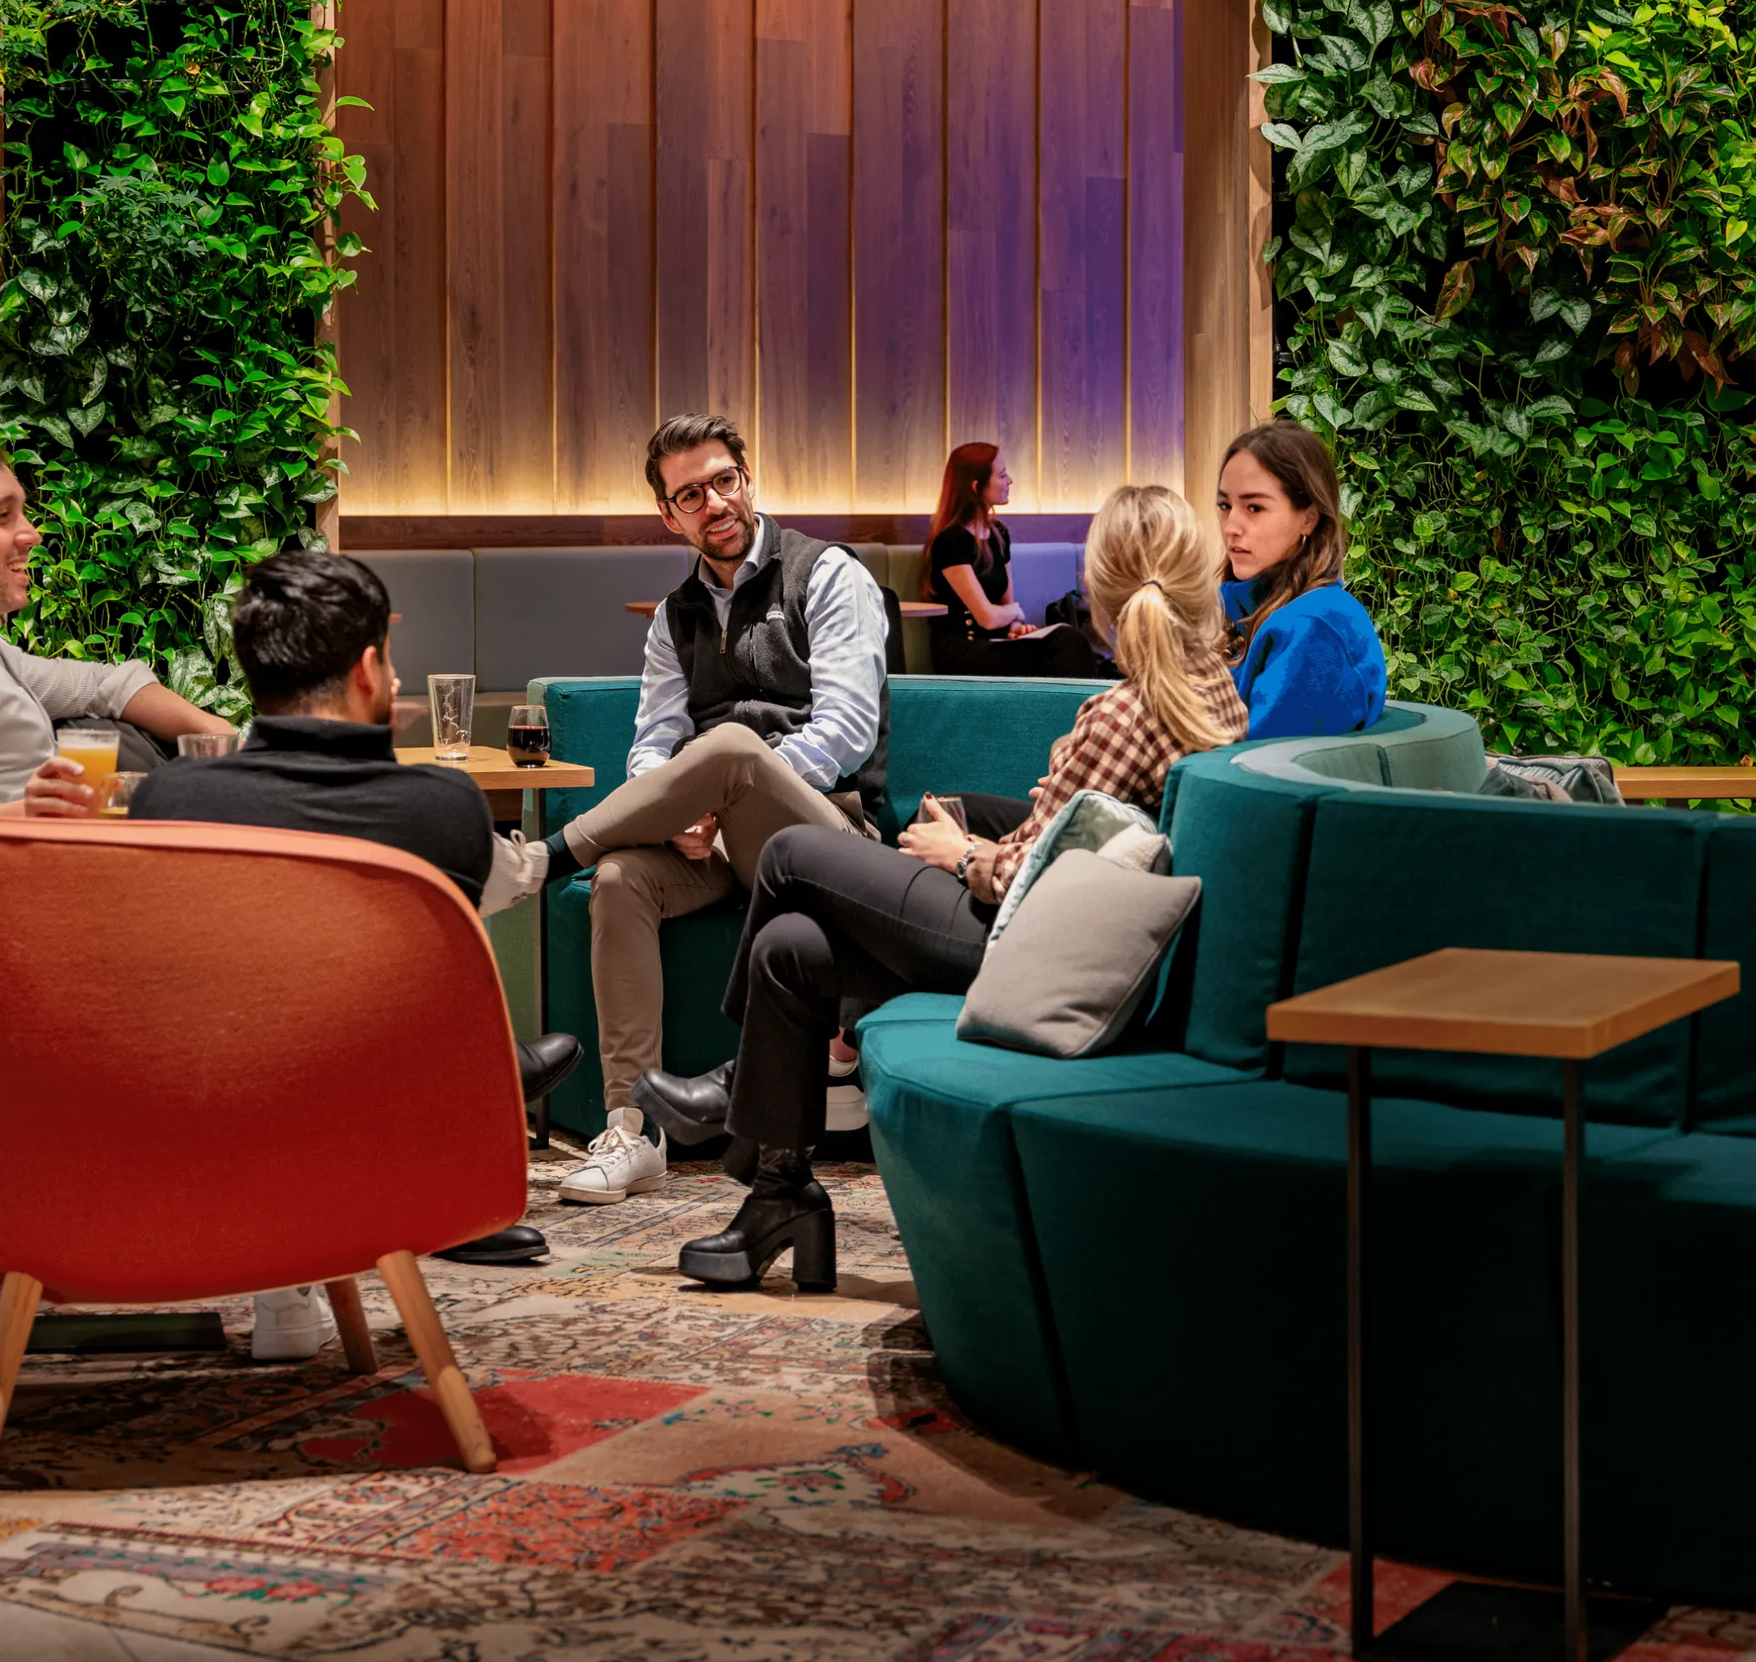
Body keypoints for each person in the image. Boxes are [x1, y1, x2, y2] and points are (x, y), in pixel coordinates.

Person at [632, 485, 1245, 1292]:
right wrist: (998, 834)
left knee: (789, 856)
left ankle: (735, 1089)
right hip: (1059, 932)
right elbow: (1078, 844)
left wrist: (963, 856)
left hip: (1021, 945)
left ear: (1102, 588)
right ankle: (778, 1199)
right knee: (788, 947)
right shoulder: (1211, 689)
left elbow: (1035, 880)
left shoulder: (1121, 713)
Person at [128, 547, 588, 1334]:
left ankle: (283, 1284)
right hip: (383, 1146)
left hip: (199, 1138)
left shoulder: (170, 800)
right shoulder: (444, 808)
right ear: (370, 669)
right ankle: (495, 1072)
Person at [509, 414, 892, 1211]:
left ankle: (540, 860)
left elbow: (848, 730)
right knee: (621, 878)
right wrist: (680, 814)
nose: (714, 502)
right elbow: (652, 744)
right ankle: (633, 1127)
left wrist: (728, 784)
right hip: (720, 846)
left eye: (724, 481)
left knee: (730, 750)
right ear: (669, 515)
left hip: (830, 837)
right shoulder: (673, 616)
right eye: (691, 494)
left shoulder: (827, 574)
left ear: (747, 480)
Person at [0, 439, 237, 817]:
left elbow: (101, 685)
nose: (32, 534)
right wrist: (33, 812)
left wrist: (216, 732)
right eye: (2, 516)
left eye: (22, 513)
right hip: (41, 859)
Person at [1216, 420, 1386, 738]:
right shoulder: (1234, 607)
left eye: (1254, 508)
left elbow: (1256, 760)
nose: (1231, 527)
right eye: (1225, 505)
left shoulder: (1314, 627)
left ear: (1308, 518)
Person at [922, 441, 1103, 678]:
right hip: (962, 651)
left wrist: (1017, 627)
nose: (1010, 481)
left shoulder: (999, 533)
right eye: (1002, 475)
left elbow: (1007, 604)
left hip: (999, 643)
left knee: (1071, 639)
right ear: (976, 486)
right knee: (1066, 642)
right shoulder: (950, 540)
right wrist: (1014, 612)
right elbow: (987, 618)